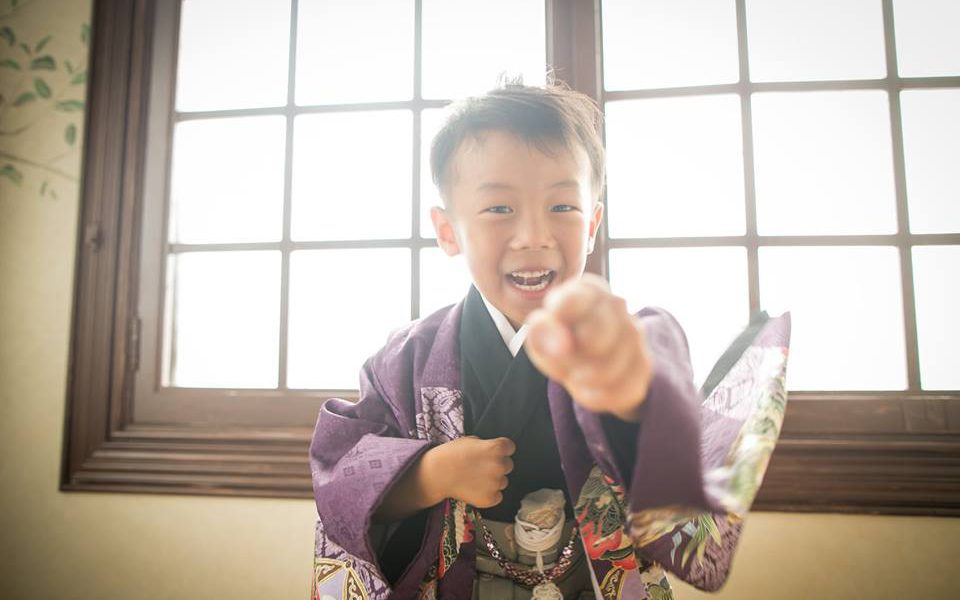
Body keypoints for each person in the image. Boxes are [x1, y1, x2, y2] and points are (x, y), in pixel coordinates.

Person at [309, 82, 791, 600]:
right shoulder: (406, 359)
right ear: (448, 231)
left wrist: (631, 393)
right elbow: (341, 472)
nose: (534, 235)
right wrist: (429, 474)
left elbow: (665, 415)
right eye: (499, 209)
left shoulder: (624, 338)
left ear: (593, 224)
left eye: (563, 206)